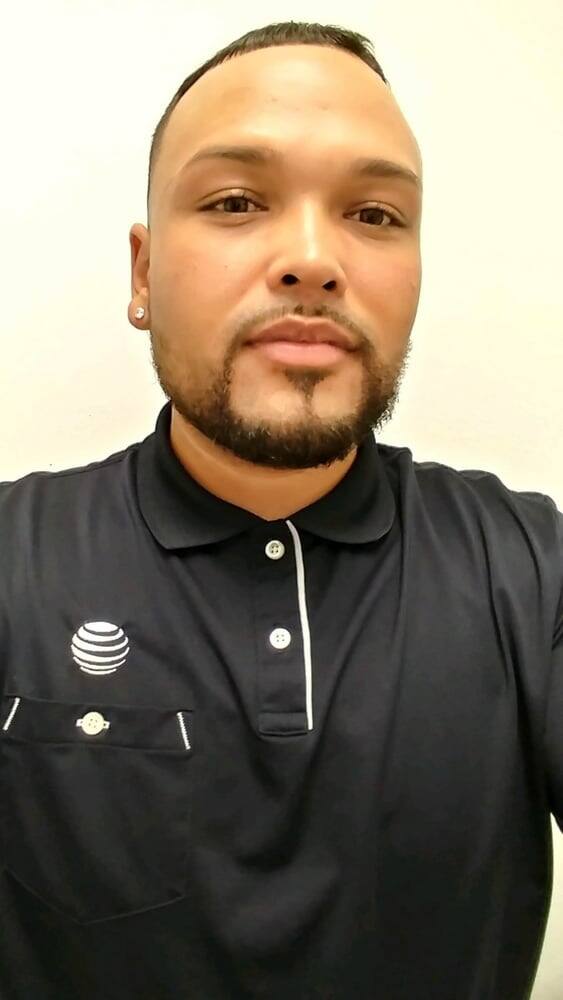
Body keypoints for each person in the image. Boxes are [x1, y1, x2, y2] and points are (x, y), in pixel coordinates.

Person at [0, 19, 561, 1000]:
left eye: (374, 214)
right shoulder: (13, 561)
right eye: (234, 201)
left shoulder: (532, 571)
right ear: (142, 274)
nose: (311, 259)